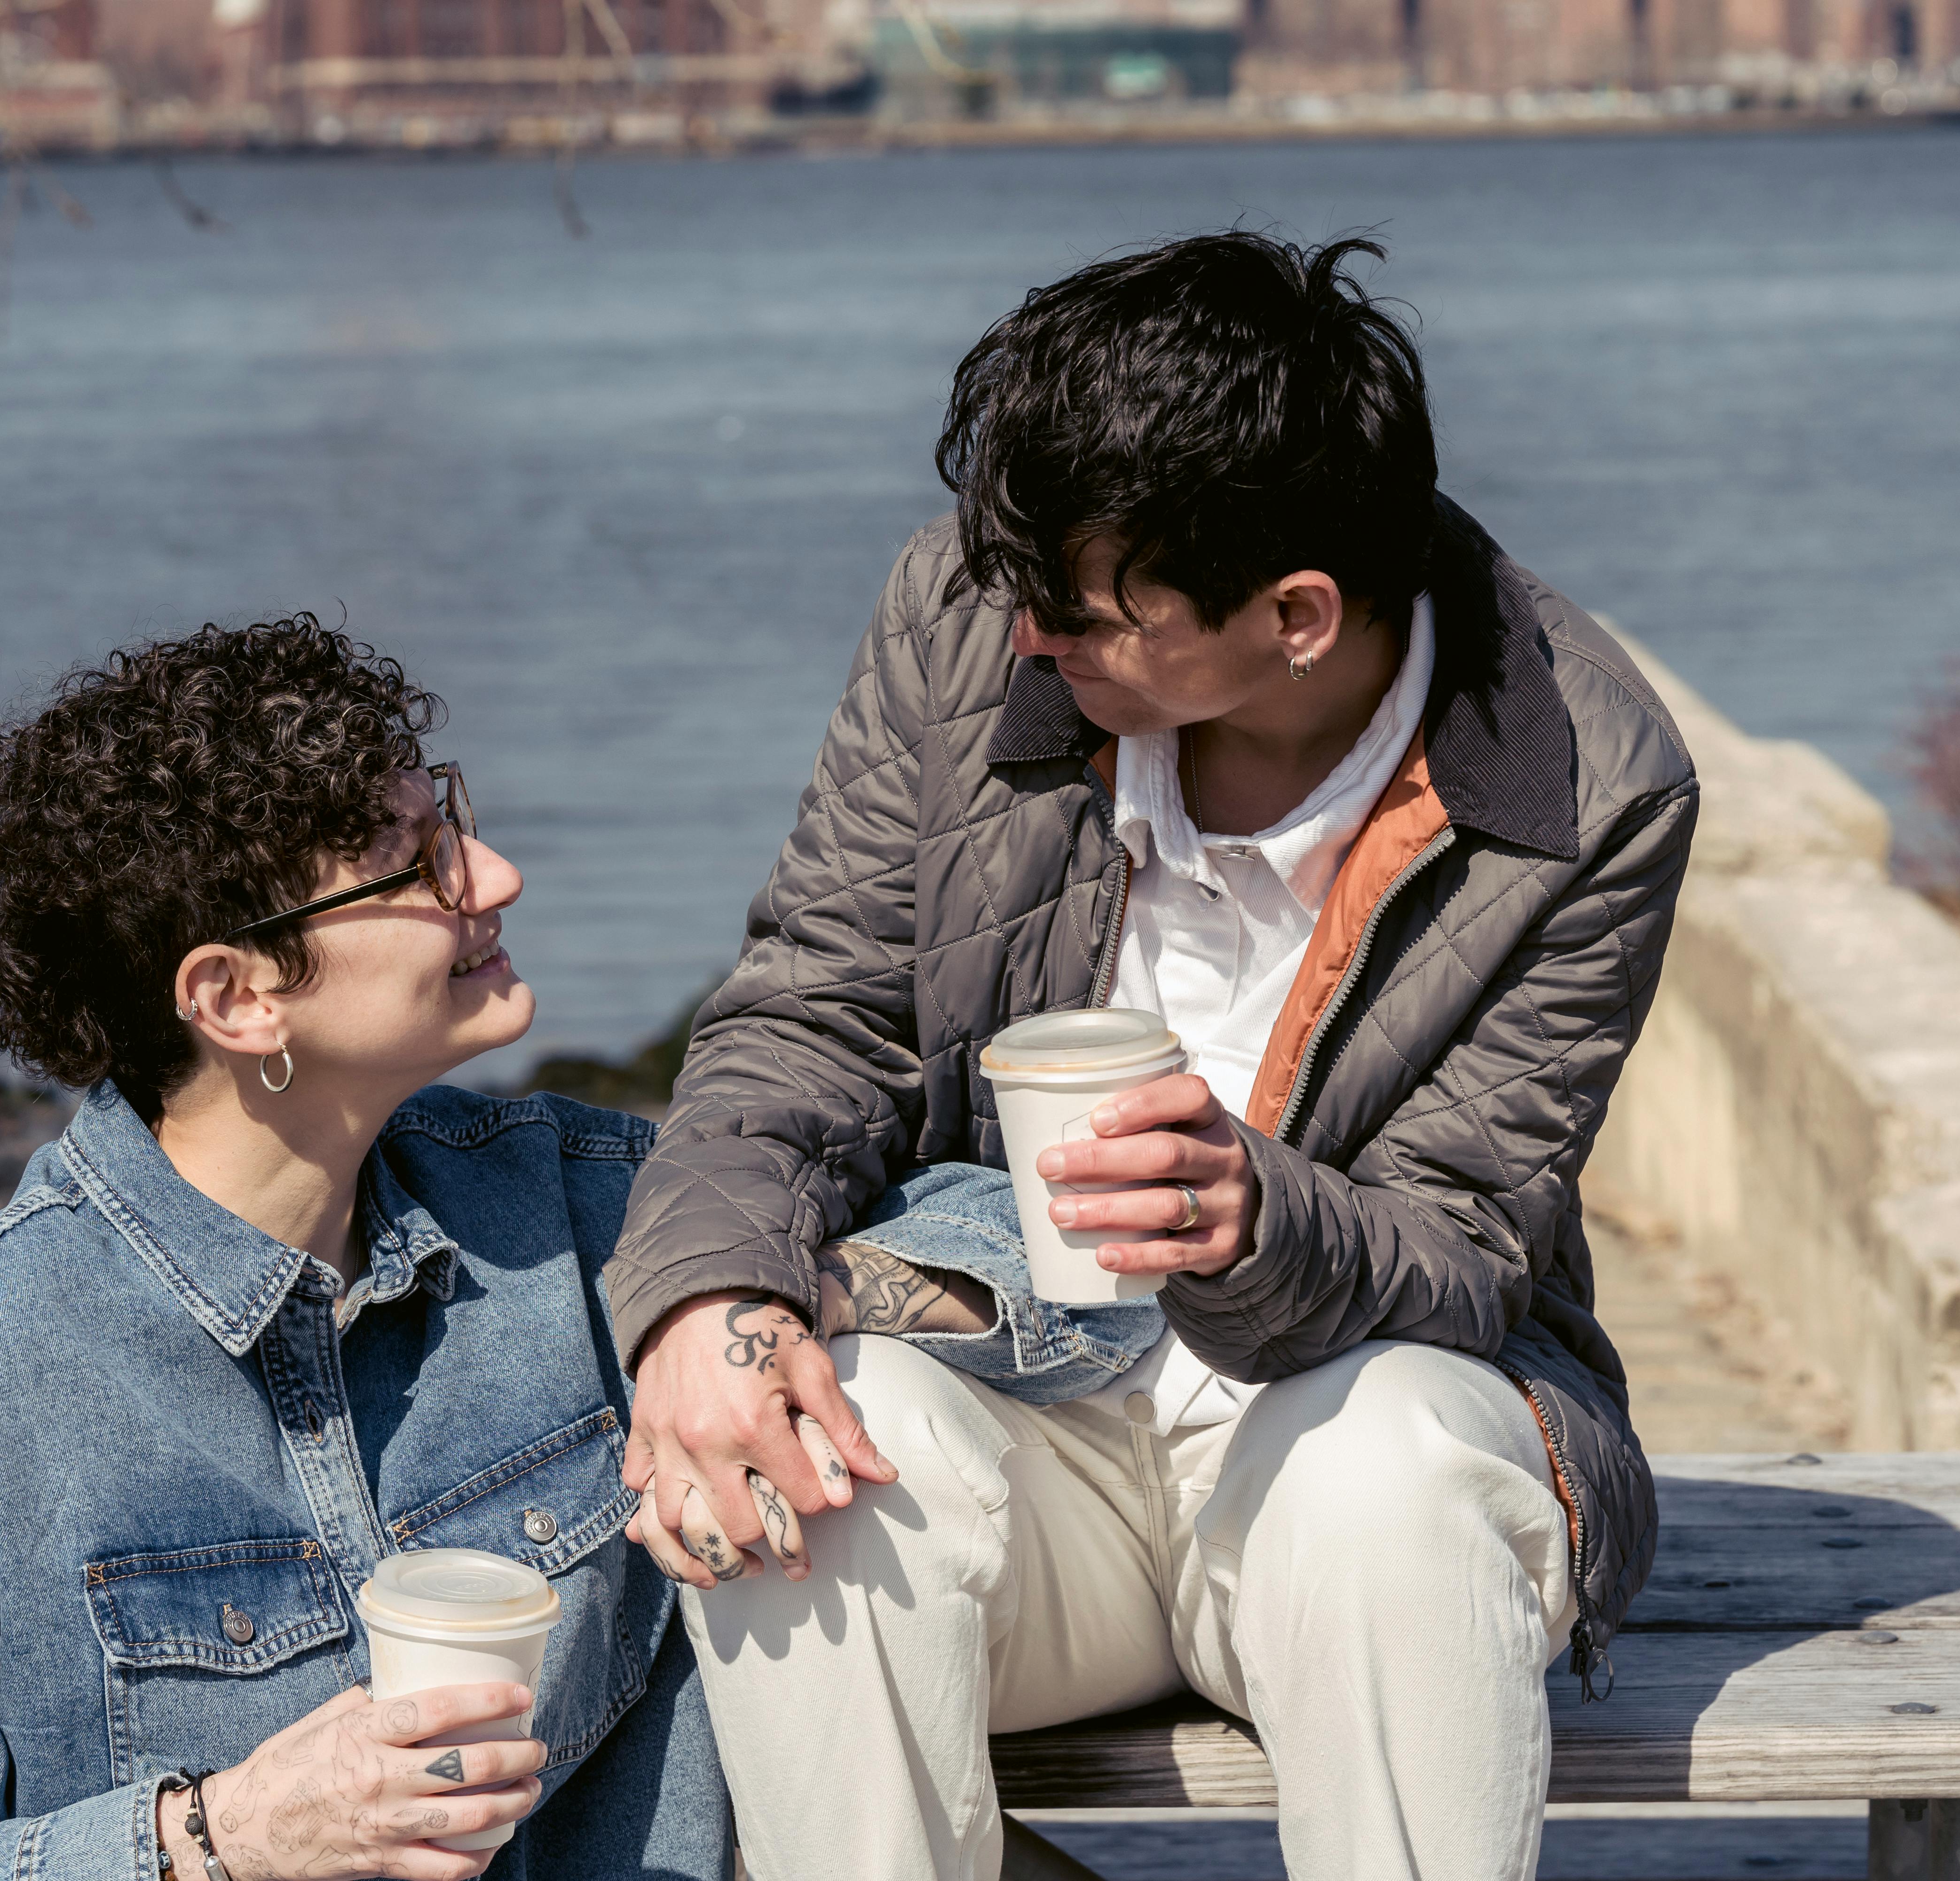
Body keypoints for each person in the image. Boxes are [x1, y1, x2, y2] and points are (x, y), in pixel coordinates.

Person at [604, 233, 1699, 1881]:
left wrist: (1249, 1219)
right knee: (796, 1472)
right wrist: (712, 1302)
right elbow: (809, 1014)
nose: (1030, 637)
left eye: (1083, 613)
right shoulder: (967, 627)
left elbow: (1469, 1247)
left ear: (1299, 616)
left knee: (1392, 1475)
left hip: (1349, 1450)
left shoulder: (1588, 785)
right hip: (1020, 1417)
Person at [0, 619, 732, 1881]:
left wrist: (766, 1302)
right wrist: (218, 1838)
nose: (493, 876)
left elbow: (920, 1209)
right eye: (415, 867)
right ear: (237, 999)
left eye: (452, 822)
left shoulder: (575, 1208)